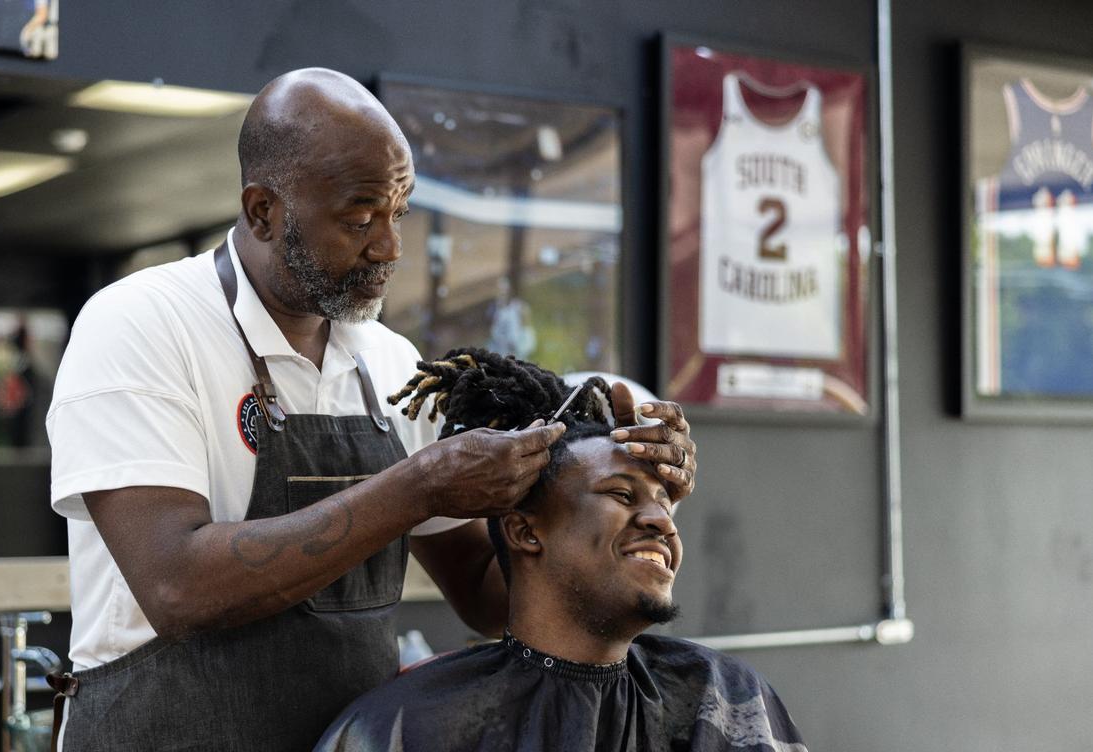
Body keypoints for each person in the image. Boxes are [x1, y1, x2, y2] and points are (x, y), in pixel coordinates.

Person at [45, 68, 697, 751]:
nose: (389, 247)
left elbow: (484, 593)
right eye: (360, 219)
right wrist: (417, 488)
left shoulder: (386, 365)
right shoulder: (143, 325)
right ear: (263, 210)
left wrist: (623, 506)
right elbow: (177, 587)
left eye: (399, 212)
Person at [316, 348, 805, 752]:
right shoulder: (405, 729)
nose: (662, 522)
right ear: (526, 532)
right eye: (620, 494)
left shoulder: (727, 701)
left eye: (665, 503)